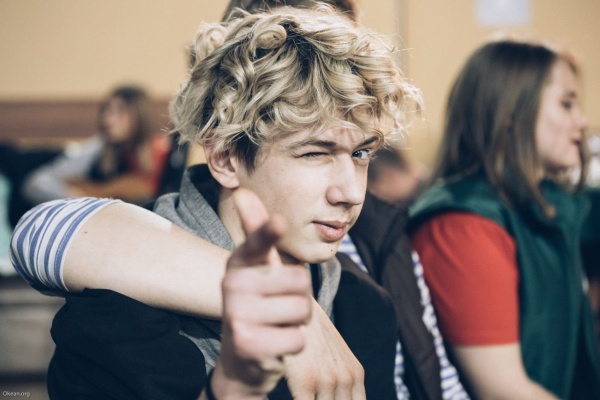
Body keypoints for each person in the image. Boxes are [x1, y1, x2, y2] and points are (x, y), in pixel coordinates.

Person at [12, 6, 417, 399]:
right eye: (314, 153)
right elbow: (41, 232)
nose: (352, 192)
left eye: (361, 153)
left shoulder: (364, 305)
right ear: (225, 158)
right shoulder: (116, 317)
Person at [408, 37, 600, 399]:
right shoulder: (462, 226)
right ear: (511, 110)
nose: (582, 121)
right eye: (566, 103)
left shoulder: (544, 209)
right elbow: (504, 391)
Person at [21, 84, 170, 205]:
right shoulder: (99, 146)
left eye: (120, 112)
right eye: (107, 111)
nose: (108, 120)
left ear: (139, 116)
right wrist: (77, 199)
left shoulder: (161, 151)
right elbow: (38, 183)